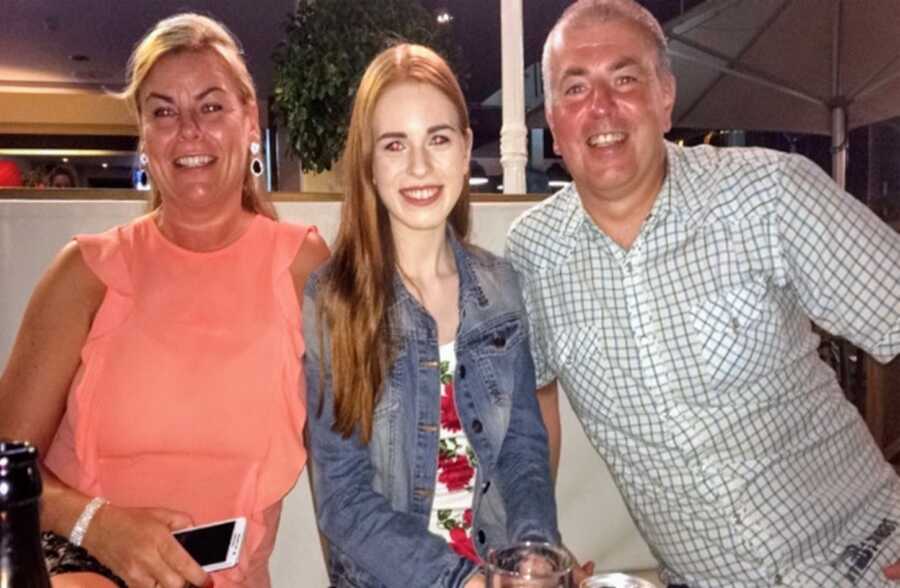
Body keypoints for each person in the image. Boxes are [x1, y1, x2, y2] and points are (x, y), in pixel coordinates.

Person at [506, 0, 900, 586]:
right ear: (554, 123)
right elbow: (531, 410)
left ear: (666, 96)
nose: (601, 108)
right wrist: (535, 546)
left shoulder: (770, 194)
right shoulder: (531, 255)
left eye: (625, 78)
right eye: (574, 88)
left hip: (864, 558)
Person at [0, 13, 329, 588]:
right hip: (82, 572)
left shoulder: (301, 267)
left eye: (210, 106)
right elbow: (6, 464)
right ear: (144, 135)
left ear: (250, 121)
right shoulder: (85, 272)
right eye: (163, 112)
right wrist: (99, 525)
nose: (189, 131)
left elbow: (352, 465)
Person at [303, 43, 562, 588]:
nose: (420, 167)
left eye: (438, 139)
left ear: (466, 149)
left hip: (495, 570)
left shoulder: (502, 286)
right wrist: (463, 582)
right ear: (369, 166)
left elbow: (523, 449)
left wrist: (534, 553)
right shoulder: (335, 300)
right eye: (395, 145)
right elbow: (343, 502)